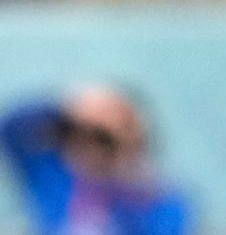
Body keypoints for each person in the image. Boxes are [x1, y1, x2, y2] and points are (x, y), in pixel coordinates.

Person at [0, 84, 190, 234]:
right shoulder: (52, 177)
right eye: (81, 134)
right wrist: (71, 105)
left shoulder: (158, 199)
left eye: (104, 140)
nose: (92, 147)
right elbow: (9, 128)